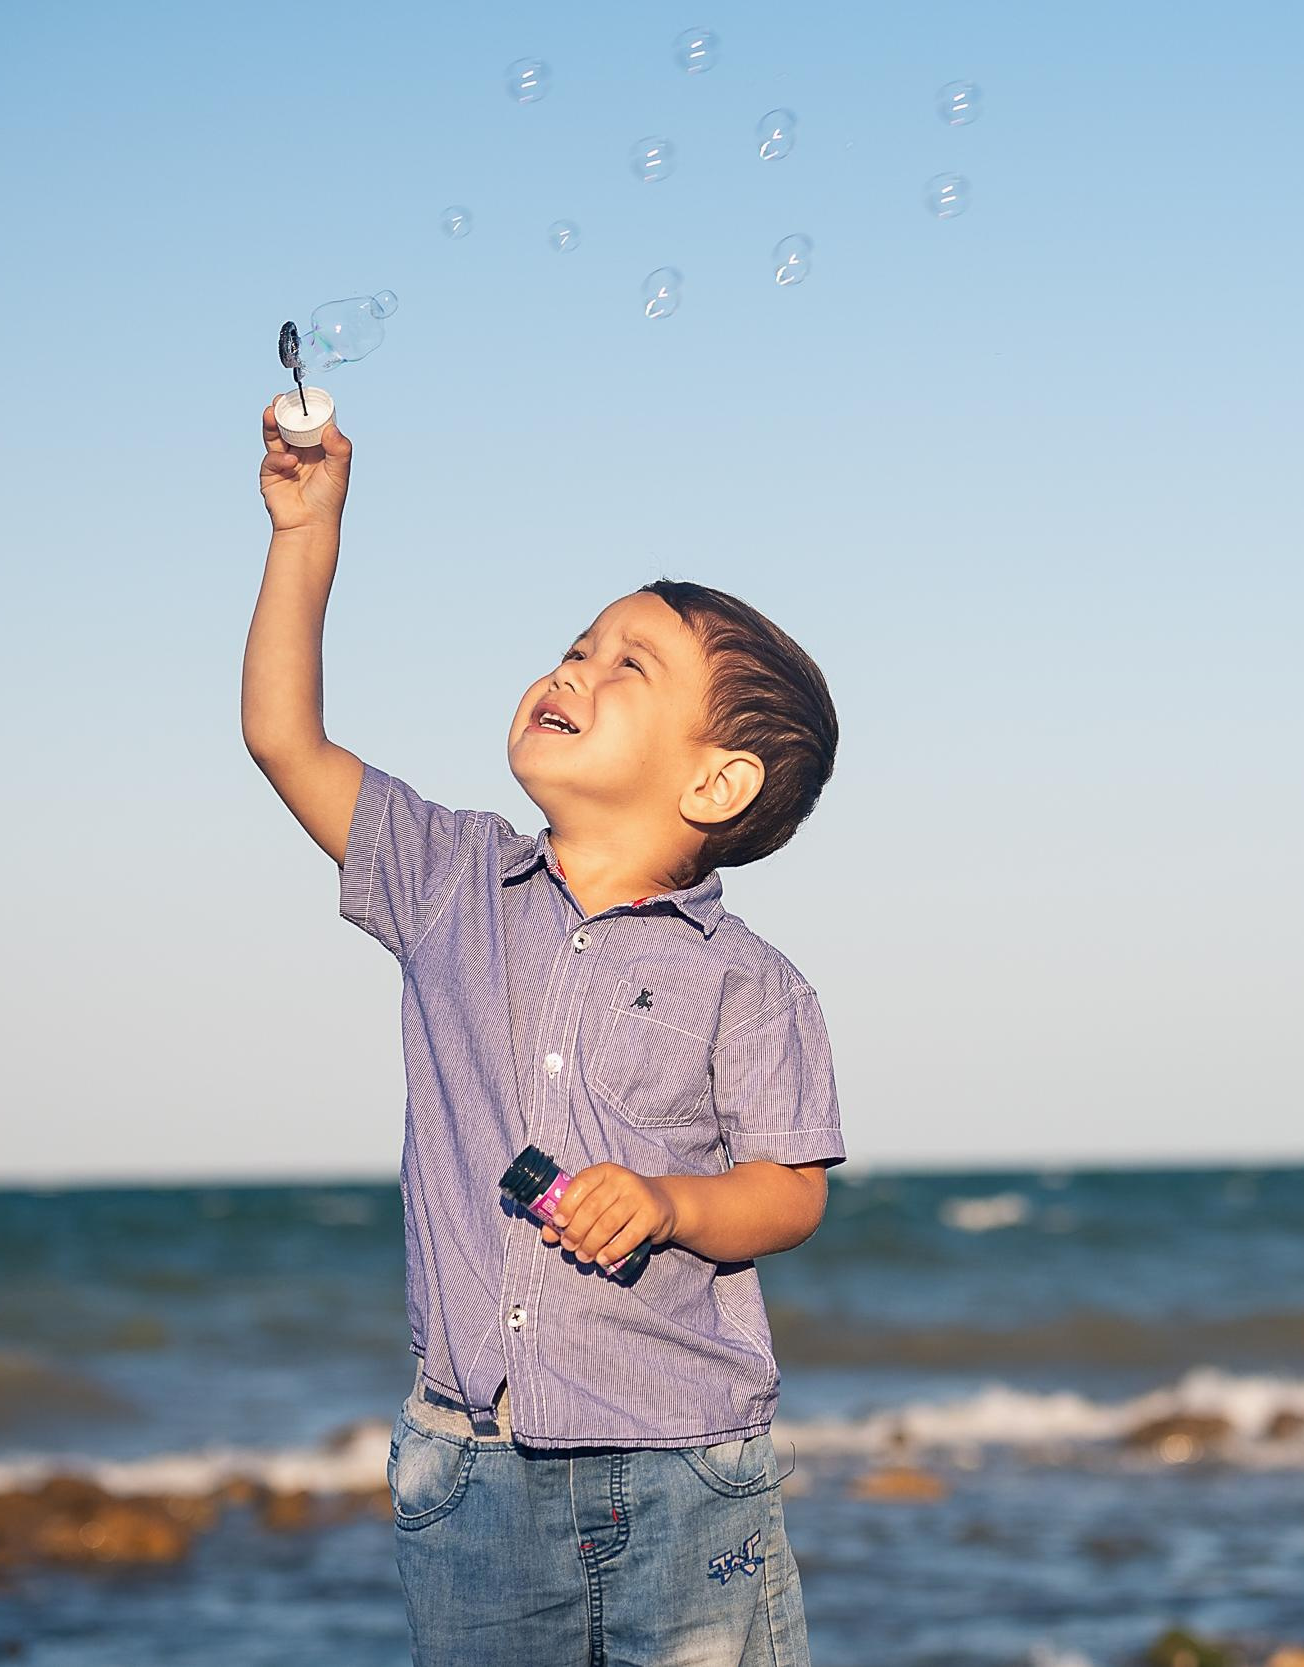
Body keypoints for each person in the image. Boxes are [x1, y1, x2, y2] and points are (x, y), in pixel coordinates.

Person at [241, 403, 846, 1665]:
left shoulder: (752, 981)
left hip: (686, 1464)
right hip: (473, 1465)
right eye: (575, 645)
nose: (573, 668)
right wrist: (306, 531)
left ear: (716, 781)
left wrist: (670, 1203)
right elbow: (283, 738)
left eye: (629, 665)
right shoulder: (446, 880)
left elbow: (789, 1192)